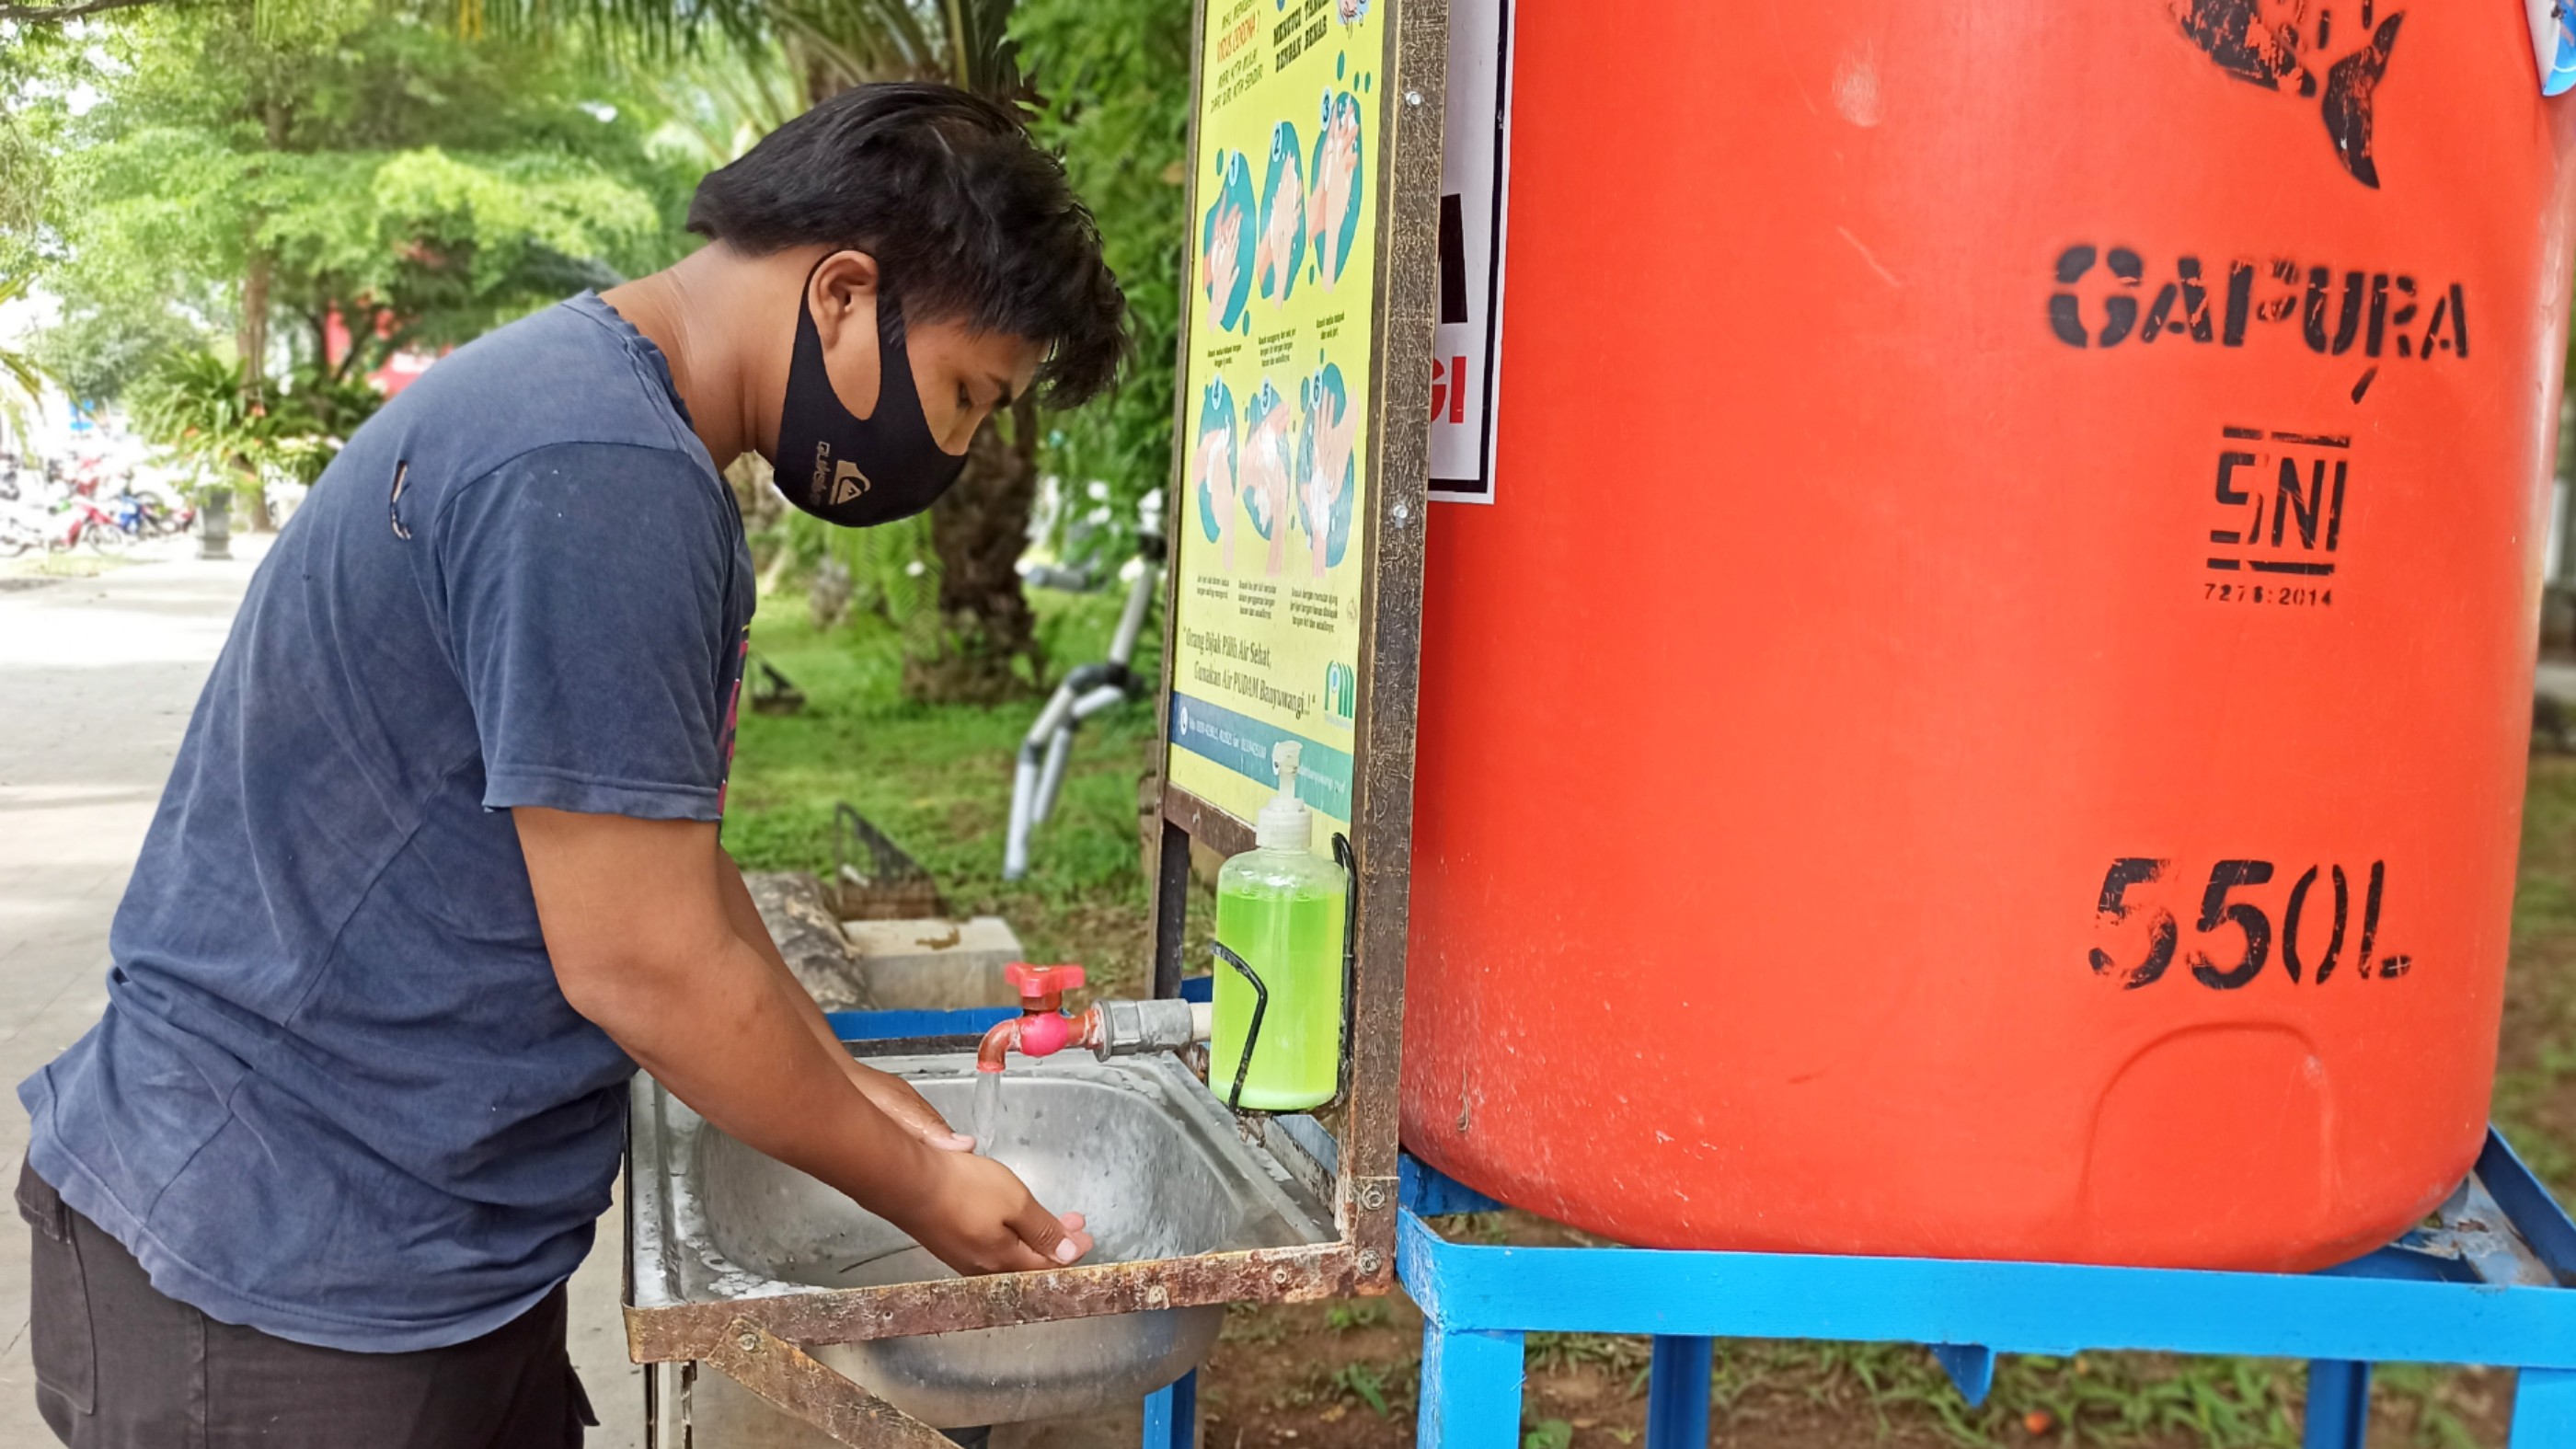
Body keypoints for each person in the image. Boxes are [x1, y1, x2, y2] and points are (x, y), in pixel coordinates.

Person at [16, 82, 1129, 1448]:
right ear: (842, 292)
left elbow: (665, 861)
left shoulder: (604, 418)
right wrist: (913, 1184)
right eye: (966, 396)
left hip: (386, 1243)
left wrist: (848, 1084)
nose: (952, 450)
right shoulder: (603, 469)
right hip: (281, 1277)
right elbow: (642, 959)